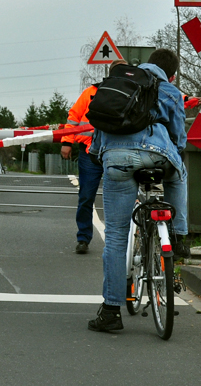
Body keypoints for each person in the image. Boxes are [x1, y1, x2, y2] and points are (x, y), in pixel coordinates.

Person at [87, 48, 190, 333]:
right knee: (179, 173)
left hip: (116, 160)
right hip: (157, 155)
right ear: (171, 73)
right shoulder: (168, 89)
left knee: (117, 236)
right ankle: (179, 235)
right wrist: (174, 153)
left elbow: (99, 128)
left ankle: (110, 312)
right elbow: (179, 137)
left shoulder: (116, 84)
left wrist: (101, 155)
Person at [62, 60, 126, 255]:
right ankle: (83, 238)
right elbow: (74, 117)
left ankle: (118, 239)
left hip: (115, 152)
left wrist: (186, 99)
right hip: (91, 153)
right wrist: (66, 141)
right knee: (86, 197)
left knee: (117, 198)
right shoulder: (91, 92)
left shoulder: (132, 94)